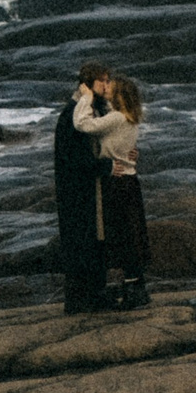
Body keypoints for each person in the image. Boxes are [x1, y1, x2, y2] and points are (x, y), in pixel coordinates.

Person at [74, 73, 151, 310]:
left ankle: (133, 291)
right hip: (130, 181)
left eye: (110, 86)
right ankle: (137, 287)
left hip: (116, 183)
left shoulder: (116, 118)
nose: (105, 87)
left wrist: (85, 98)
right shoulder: (131, 117)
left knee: (121, 236)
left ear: (118, 95)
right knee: (131, 234)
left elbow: (82, 124)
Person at [53, 60, 112, 313]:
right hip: (76, 191)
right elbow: (75, 158)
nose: (107, 86)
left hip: (89, 188)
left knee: (94, 241)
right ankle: (80, 300)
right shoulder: (73, 114)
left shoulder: (93, 111)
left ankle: (95, 295)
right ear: (88, 85)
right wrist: (106, 166)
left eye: (108, 81)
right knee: (81, 242)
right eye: (102, 82)